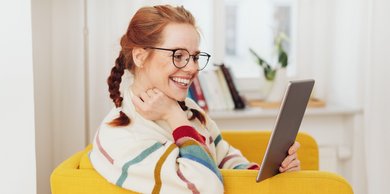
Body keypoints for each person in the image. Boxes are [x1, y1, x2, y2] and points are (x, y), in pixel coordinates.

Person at [89, 4, 301, 194]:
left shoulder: (190, 110)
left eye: (195, 57)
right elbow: (205, 189)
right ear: (140, 56)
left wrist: (273, 173)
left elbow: (224, 157)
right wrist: (174, 116)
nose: (192, 68)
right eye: (178, 56)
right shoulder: (119, 135)